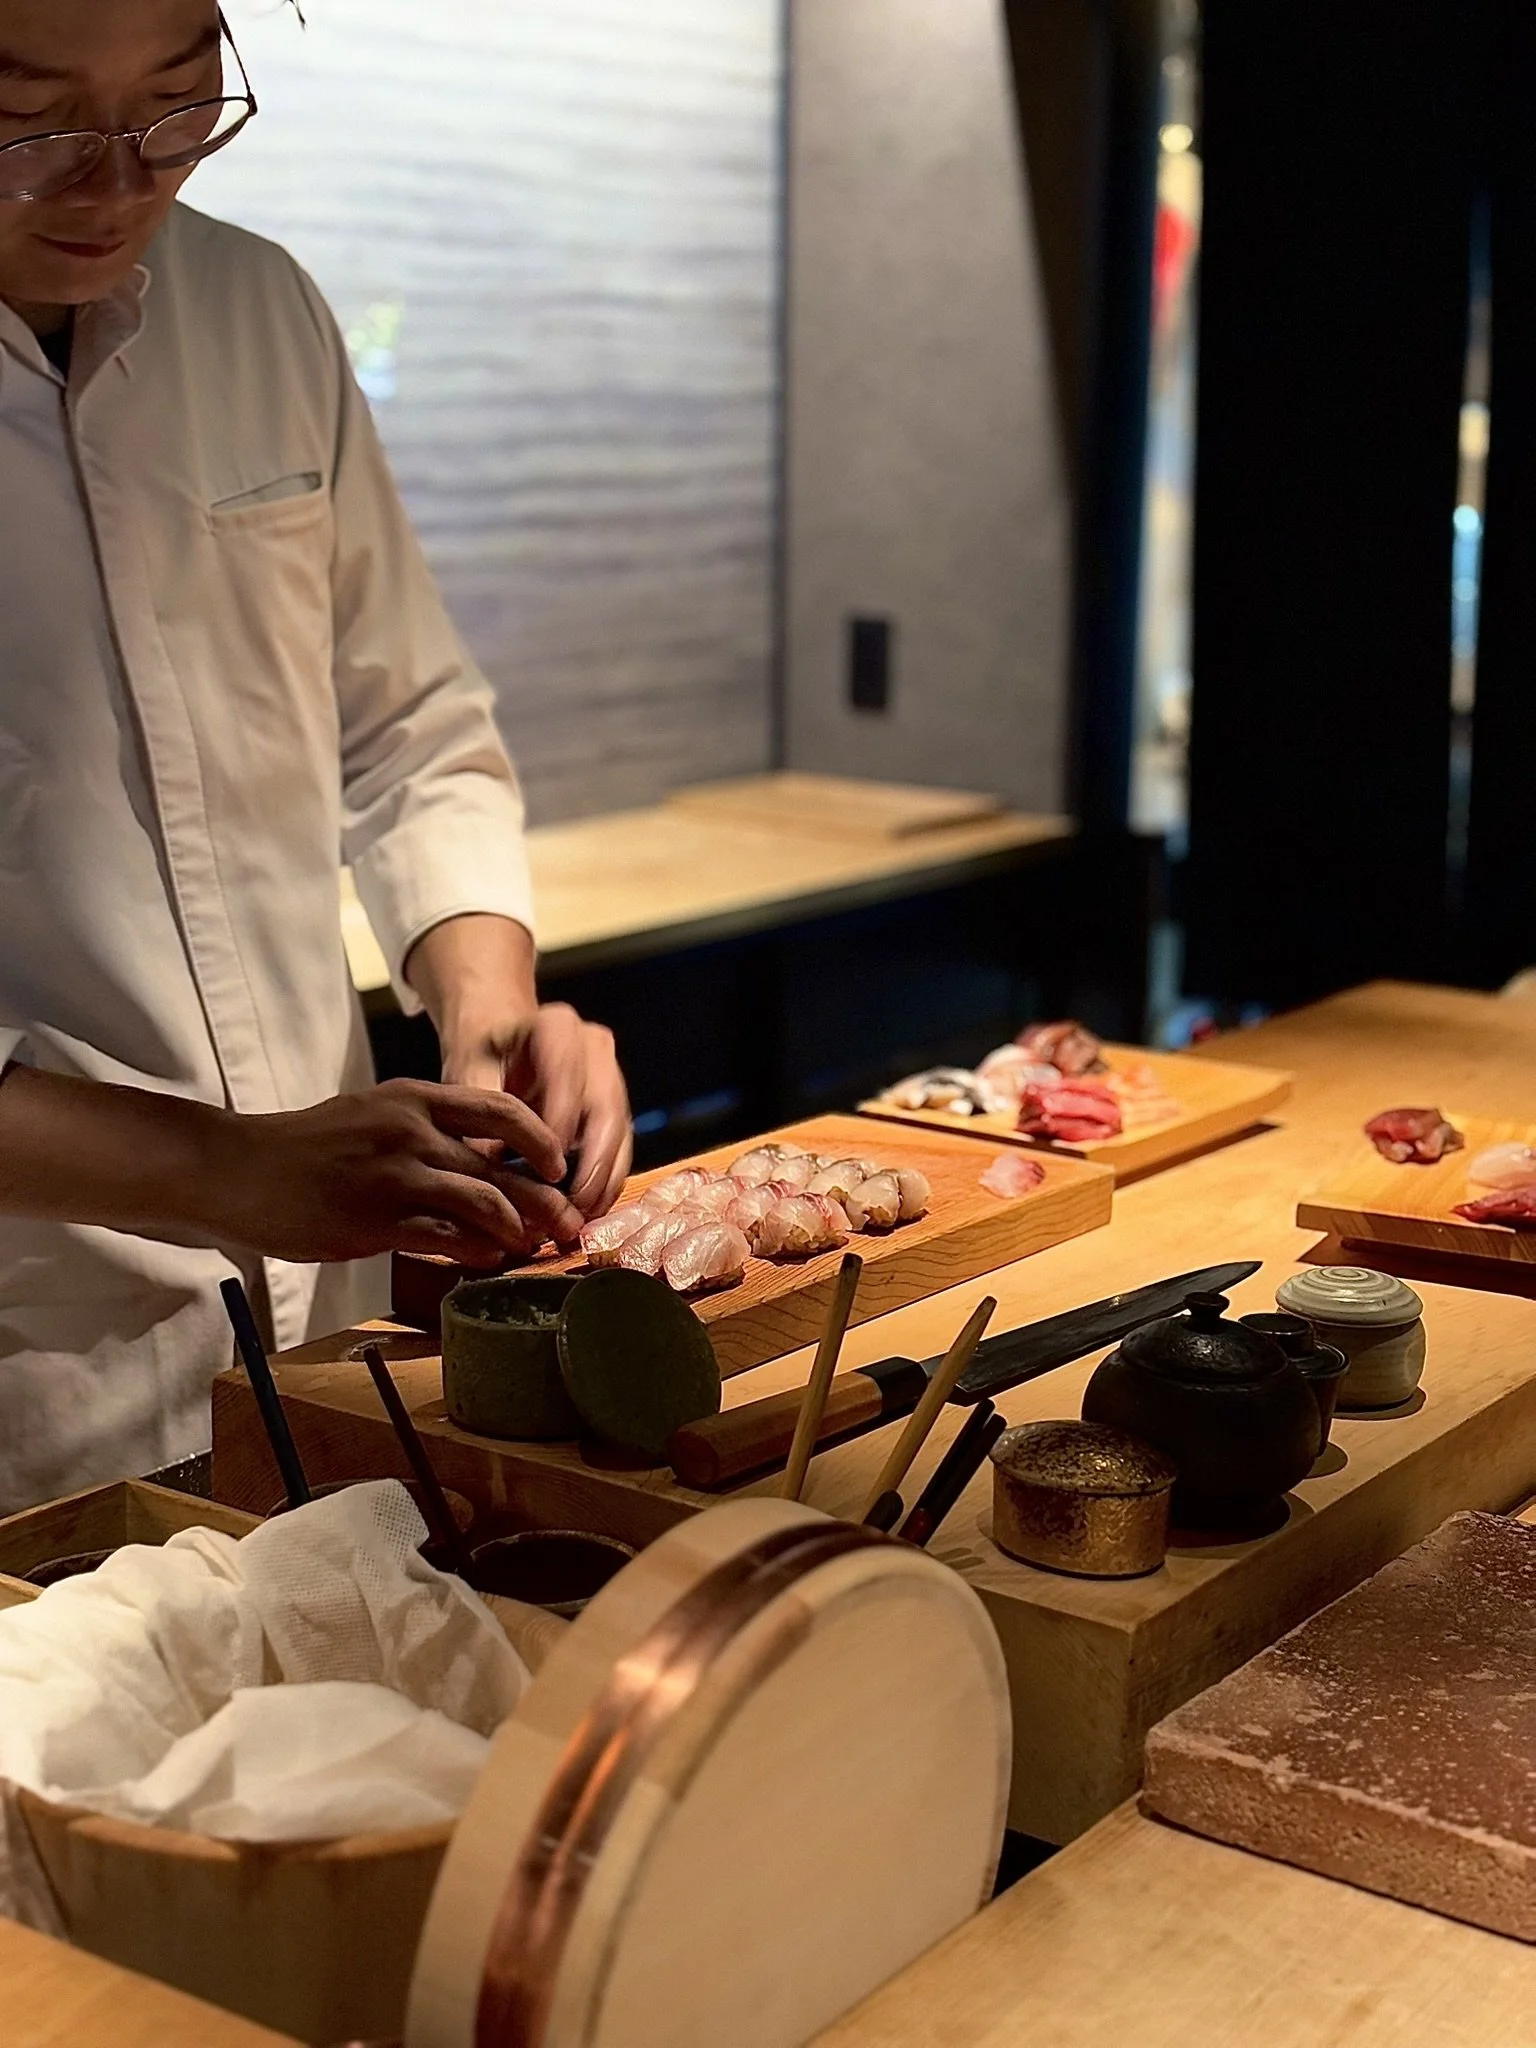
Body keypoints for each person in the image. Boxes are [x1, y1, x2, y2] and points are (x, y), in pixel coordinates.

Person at [0, 0, 632, 1510]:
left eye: (172, 108)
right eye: (35, 124)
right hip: (34, 1373)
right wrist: (233, 1171)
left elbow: (407, 722)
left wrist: (486, 1013)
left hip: (325, 1340)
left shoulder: (255, 308)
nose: (120, 186)